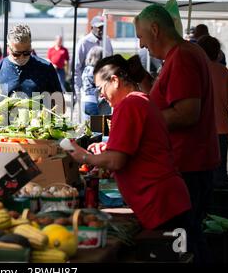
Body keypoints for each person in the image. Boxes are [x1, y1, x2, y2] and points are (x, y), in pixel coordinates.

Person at [134, 4, 220, 263]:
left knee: (187, 241)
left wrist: (142, 121)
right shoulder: (181, 55)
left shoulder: (182, 56)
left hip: (189, 166)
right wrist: (141, 78)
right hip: (191, 164)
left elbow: (186, 113)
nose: (141, 44)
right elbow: (166, 99)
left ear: (156, 29)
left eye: (141, 36)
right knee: (188, 238)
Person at [68, 54, 191, 230]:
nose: (101, 95)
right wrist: (108, 148)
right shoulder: (141, 100)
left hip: (160, 203)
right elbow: (137, 145)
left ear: (115, 80)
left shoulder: (129, 105)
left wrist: (84, 156)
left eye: (100, 88)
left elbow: (116, 161)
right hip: (168, 200)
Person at [198, 35, 228, 188]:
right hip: (221, 128)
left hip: (198, 128)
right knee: (220, 169)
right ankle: (220, 204)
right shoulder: (224, 72)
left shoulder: (195, 71)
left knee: (200, 170)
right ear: (217, 53)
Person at [0, 24, 62, 97]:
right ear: (8, 47)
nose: (22, 57)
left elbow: (60, 104)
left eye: (26, 53)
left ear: (31, 46)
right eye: (16, 54)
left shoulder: (46, 68)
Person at [74, 15, 113, 92]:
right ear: (92, 28)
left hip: (104, 86)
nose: (101, 30)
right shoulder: (84, 42)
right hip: (88, 87)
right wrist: (78, 89)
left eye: (103, 27)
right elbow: (77, 67)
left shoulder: (107, 40)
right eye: (99, 27)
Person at [81, 46, 103, 118]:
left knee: (86, 127)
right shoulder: (95, 71)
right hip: (92, 101)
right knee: (96, 127)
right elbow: (99, 86)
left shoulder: (86, 69)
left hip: (84, 100)